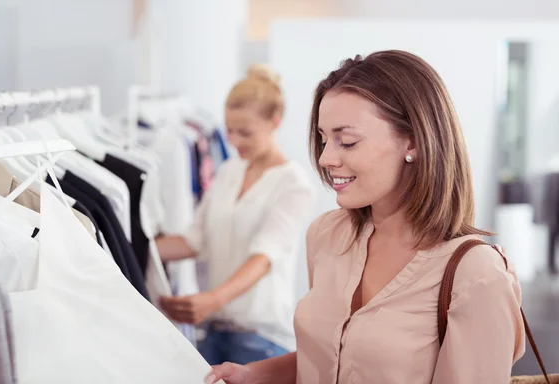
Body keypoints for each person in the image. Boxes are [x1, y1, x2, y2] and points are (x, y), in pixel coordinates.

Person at [205, 50, 526, 384]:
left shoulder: (477, 275)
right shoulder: (327, 235)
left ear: (413, 142)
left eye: (347, 141)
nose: (326, 158)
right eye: (324, 139)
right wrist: (252, 374)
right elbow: (336, 358)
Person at [155, 64, 316, 366]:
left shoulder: (293, 183)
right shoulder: (229, 171)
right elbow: (194, 240)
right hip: (212, 332)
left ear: (275, 122)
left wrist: (212, 299)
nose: (234, 141)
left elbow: (263, 257)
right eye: (229, 130)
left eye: (245, 132)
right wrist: (124, 244)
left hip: (261, 338)